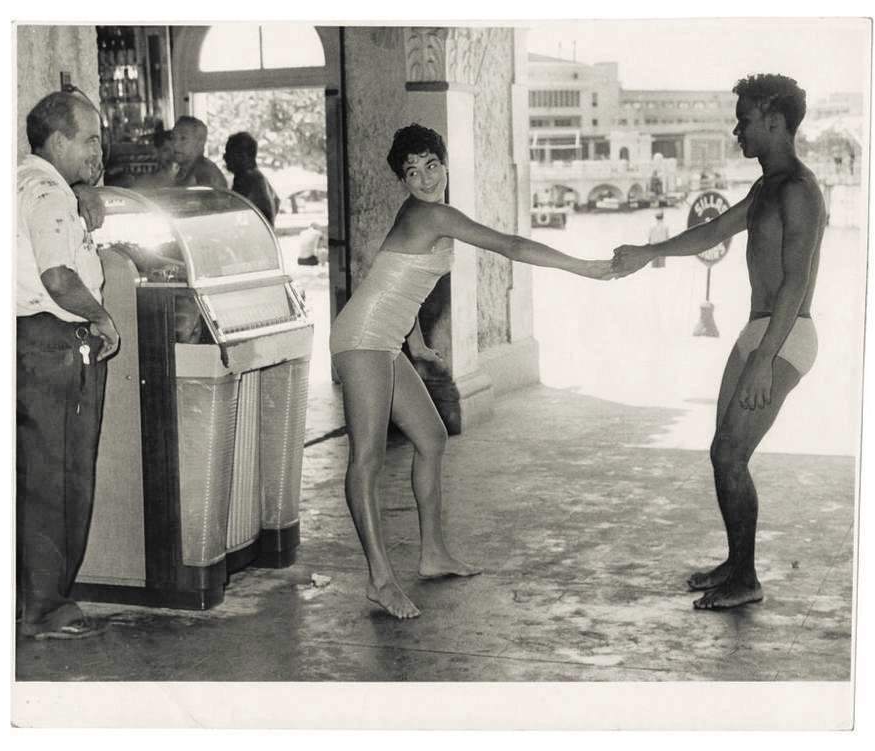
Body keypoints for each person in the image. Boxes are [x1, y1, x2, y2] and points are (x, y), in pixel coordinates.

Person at [330, 124, 617, 619]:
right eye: (411, 172)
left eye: (430, 165)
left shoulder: (425, 215)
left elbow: (394, 275)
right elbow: (509, 245)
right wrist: (582, 267)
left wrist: (415, 342)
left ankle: (433, 553)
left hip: (386, 339)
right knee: (368, 459)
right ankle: (379, 579)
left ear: (444, 162)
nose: (422, 178)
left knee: (432, 437)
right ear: (404, 179)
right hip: (362, 340)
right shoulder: (432, 213)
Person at [612, 74, 825, 610]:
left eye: (745, 119)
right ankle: (736, 562)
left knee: (731, 453)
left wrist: (763, 359)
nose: (737, 129)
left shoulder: (799, 189)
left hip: (785, 333)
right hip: (759, 329)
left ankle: (747, 579)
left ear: (774, 122)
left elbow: (796, 280)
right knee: (723, 453)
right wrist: (647, 250)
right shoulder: (765, 187)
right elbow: (711, 233)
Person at [17, 91, 121, 639]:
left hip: (21, 341)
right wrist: (103, 318)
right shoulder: (49, 197)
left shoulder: (18, 181)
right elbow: (58, 275)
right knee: (61, 479)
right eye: (88, 139)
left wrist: (80, 189)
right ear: (57, 140)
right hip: (57, 344)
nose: (97, 151)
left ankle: (21, 602)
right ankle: (47, 608)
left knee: (27, 476)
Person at [223, 131, 280, 225]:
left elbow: (233, 216)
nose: (224, 157)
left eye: (229, 152)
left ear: (243, 156)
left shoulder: (248, 179)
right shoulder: (259, 178)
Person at [170, 115, 227, 190]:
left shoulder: (204, 173)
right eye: (173, 138)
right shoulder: (184, 170)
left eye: (183, 138)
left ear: (200, 142)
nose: (175, 144)